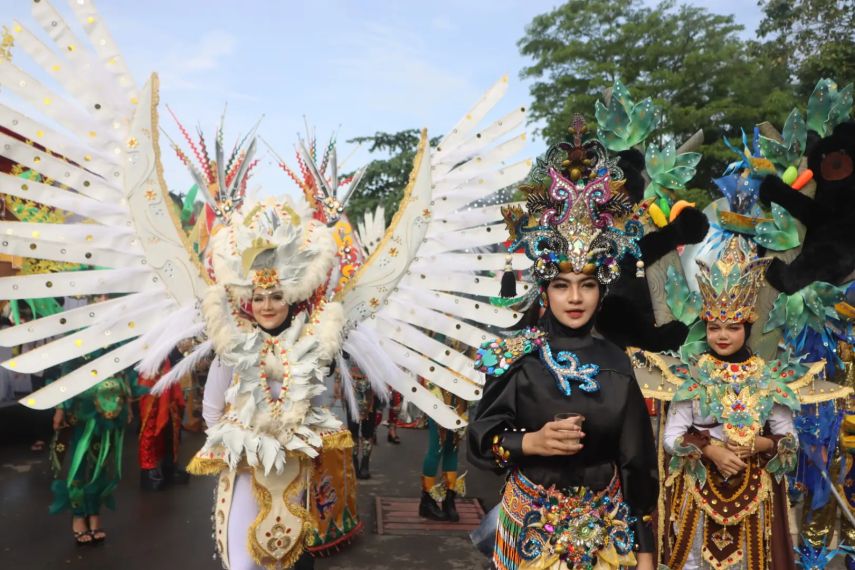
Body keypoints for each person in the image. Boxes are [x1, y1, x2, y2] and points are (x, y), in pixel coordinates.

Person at [468, 118, 658, 570]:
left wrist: (646, 551)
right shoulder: (518, 356)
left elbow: (637, 466)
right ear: (543, 289)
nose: (575, 298)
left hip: (606, 537)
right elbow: (480, 439)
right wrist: (529, 442)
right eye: (561, 285)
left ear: (602, 289)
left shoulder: (616, 362)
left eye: (587, 285)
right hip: (528, 530)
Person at [188, 198, 348, 570]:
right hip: (244, 477)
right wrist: (236, 455)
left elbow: (318, 408)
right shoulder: (232, 347)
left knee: (289, 562)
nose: (267, 305)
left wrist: (302, 442)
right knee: (244, 564)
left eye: (275, 296)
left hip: (292, 478)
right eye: (259, 298)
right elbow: (212, 411)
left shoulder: (310, 347)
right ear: (249, 302)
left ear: (289, 299)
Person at [661, 238, 800, 569]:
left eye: (733, 327)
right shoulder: (691, 378)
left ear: (748, 326)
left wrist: (760, 443)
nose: (722, 335)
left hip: (754, 494)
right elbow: (671, 438)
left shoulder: (767, 379)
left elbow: (791, 441)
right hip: (698, 493)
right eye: (714, 327)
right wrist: (710, 450)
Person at [50, 350, 136, 545]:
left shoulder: (115, 339)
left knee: (100, 466)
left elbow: (122, 373)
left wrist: (127, 407)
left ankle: (95, 513)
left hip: (108, 415)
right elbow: (66, 374)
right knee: (78, 467)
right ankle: (79, 515)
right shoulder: (77, 338)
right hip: (80, 414)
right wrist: (60, 408)